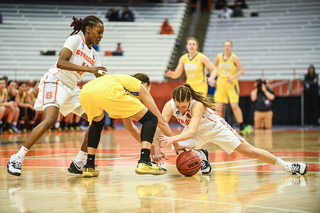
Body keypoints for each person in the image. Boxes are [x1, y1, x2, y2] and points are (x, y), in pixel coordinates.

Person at [7, 15, 107, 176]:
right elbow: (61, 62)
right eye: (99, 32)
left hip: (72, 89)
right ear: (88, 29)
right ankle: (17, 158)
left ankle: (79, 162)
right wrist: (91, 70)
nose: (101, 36)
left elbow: (100, 78)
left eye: (103, 33)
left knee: (98, 118)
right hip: (55, 81)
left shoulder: (95, 56)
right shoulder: (75, 39)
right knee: (51, 119)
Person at [156, 84, 308, 176]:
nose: (181, 109)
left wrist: (173, 138)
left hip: (216, 129)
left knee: (251, 152)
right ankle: (201, 157)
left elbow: (191, 132)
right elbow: (161, 126)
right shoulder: (170, 106)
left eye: (184, 106)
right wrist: (157, 148)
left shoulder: (197, 105)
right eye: (179, 106)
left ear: (189, 100)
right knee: (176, 146)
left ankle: (288, 166)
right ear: (174, 100)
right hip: (197, 133)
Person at [72, 73, 173, 178]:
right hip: (107, 91)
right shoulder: (139, 87)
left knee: (97, 123)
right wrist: (177, 145)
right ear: (146, 85)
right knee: (151, 119)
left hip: (86, 90)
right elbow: (161, 122)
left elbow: (130, 127)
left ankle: (89, 166)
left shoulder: (124, 88)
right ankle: (144, 161)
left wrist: (150, 147)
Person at [211, 40, 245, 135]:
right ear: (223, 47)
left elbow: (241, 71)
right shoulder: (219, 57)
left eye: (229, 46)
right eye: (225, 46)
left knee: (234, 106)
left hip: (231, 83)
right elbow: (213, 68)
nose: (227, 47)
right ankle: (219, 127)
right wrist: (212, 78)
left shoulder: (234, 58)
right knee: (218, 106)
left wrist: (233, 77)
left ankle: (241, 127)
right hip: (221, 83)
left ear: (231, 47)